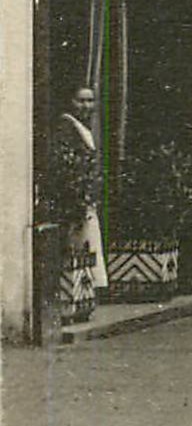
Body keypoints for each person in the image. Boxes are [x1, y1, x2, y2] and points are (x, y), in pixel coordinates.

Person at [44, 88, 108, 293]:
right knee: (77, 242)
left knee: (85, 242)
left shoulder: (85, 128)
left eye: (90, 101)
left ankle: (84, 291)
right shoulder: (67, 126)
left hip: (85, 195)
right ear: (71, 102)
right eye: (81, 101)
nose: (86, 106)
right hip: (73, 197)